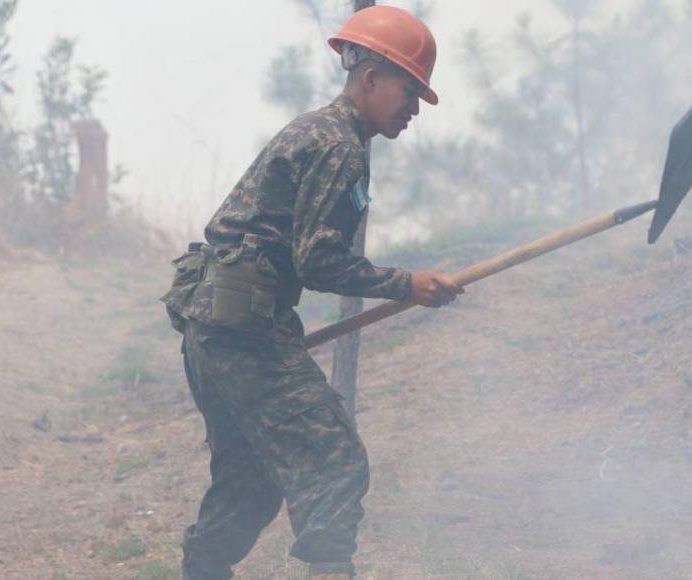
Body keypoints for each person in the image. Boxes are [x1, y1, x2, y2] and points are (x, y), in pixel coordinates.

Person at [161, 6, 462, 580]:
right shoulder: (340, 147)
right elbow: (317, 259)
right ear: (371, 78)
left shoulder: (314, 129)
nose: (414, 110)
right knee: (332, 461)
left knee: (249, 481)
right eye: (409, 90)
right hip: (244, 327)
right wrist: (407, 284)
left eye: (422, 97)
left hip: (214, 324)